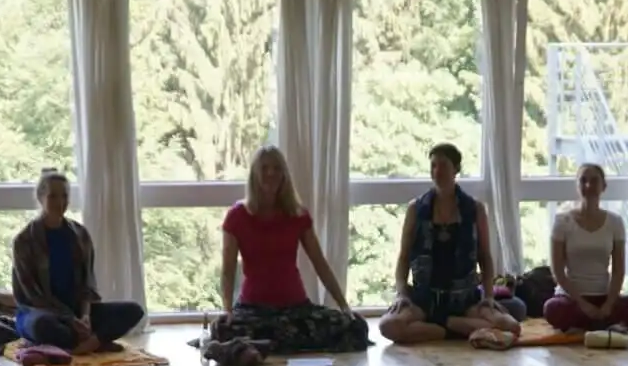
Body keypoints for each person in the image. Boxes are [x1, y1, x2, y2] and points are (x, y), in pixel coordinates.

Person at [214, 146, 367, 353]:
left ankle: (264, 345)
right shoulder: (237, 216)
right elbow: (228, 270)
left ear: (284, 175)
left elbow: (319, 263)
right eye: (264, 168)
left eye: (277, 168)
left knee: (356, 327)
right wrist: (227, 310)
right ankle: (269, 343)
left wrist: (344, 306)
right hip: (253, 309)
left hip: (295, 308)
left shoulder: (297, 215)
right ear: (254, 174)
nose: (271, 174)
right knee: (222, 330)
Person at [380, 144, 522, 349]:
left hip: (464, 298)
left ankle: (441, 325)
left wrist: (489, 296)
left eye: (444, 165)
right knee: (389, 326)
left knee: (511, 326)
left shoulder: (475, 209)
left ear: (456, 169)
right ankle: (456, 331)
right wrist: (402, 293)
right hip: (425, 298)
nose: (438, 171)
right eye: (433, 166)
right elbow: (404, 257)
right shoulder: (416, 209)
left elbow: (485, 256)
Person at [11, 170, 144, 354]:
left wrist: (86, 316)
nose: (60, 202)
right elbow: (32, 295)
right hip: (39, 312)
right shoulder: (24, 241)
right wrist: (70, 320)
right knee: (43, 325)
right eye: (53, 196)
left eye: (64, 196)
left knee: (133, 310)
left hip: (76, 312)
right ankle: (95, 342)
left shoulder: (80, 235)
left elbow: (87, 285)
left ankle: (81, 345)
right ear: (41, 198)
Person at [542, 164, 628, 334]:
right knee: (552, 308)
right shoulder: (562, 221)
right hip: (572, 299)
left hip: (603, 297)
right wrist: (583, 305)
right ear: (577, 186)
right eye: (583, 181)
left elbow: (619, 270)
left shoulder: (615, 222)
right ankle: (603, 326)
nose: (588, 186)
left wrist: (609, 304)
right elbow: (558, 272)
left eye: (594, 181)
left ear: (603, 186)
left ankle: (594, 326)